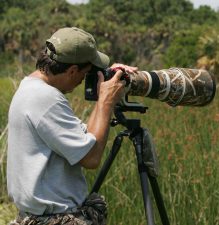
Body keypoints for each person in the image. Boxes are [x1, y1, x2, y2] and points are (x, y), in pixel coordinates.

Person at [7, 27, 137, 225]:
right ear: (72, 70)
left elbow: (86, 138)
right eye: (85, 74)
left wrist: (107, 76)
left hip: (36, 215)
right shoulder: (46, 98)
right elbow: (91, 157)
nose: (82, 81)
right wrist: (105, 101)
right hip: (54, 218)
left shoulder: (30, 87)